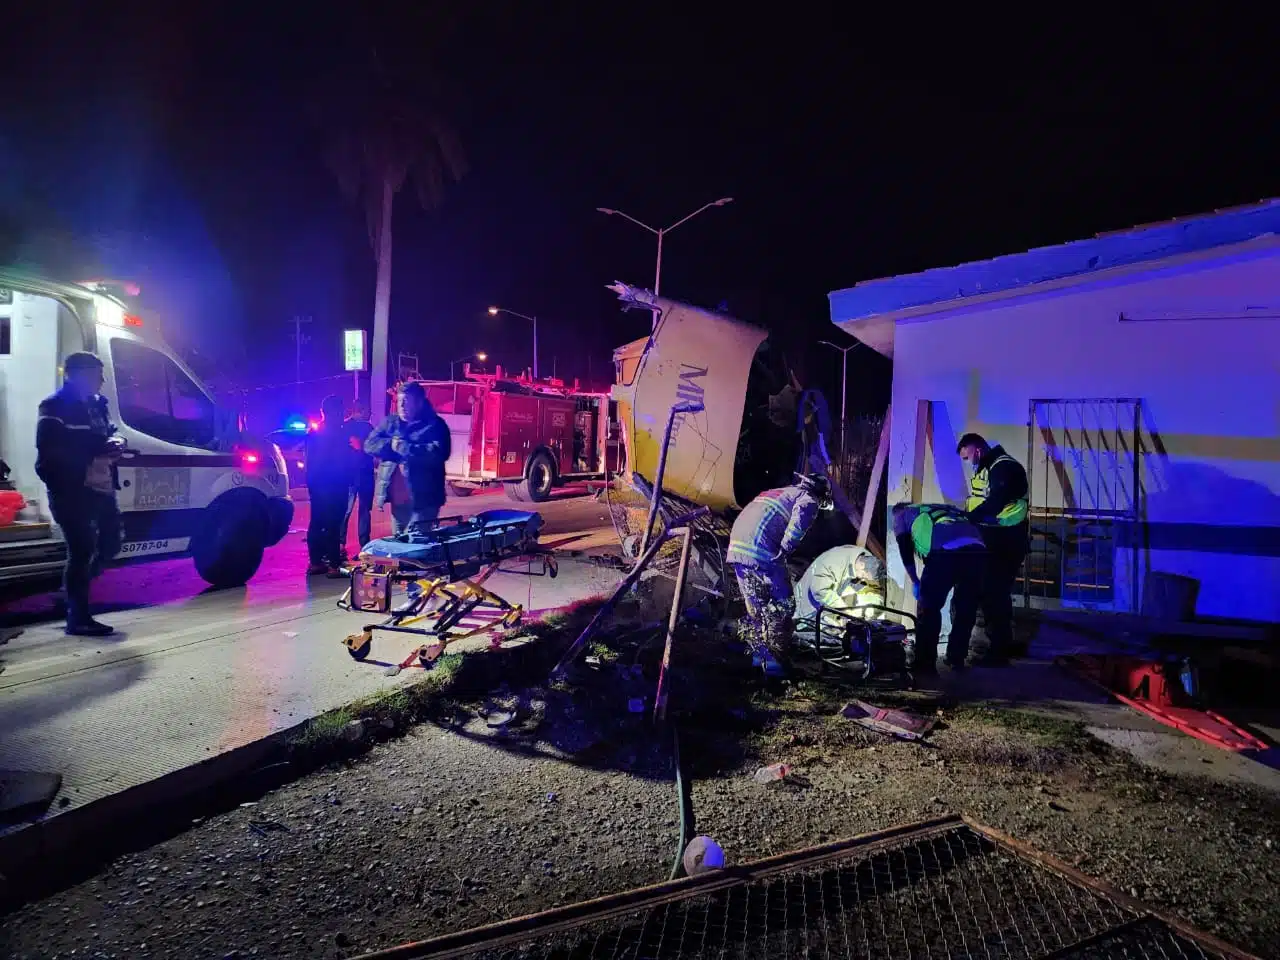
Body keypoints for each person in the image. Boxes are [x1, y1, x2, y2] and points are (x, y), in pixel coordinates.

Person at [35, 352, 126, 636]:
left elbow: (109, 432)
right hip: (71, 490)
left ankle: (74, 591)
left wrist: (117, 441)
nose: (101, 379)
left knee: (111, 543)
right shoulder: (54, 406)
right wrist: (96, 447)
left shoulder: (99, 404)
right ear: (74, 375)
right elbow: (50, 450)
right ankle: (78, 616)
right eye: (95, 373)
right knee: (82, 550)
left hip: (100, 485)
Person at [725, 473, 829, 673]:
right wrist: (784, 550)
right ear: (820, 494)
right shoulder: (808, 499)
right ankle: (777, 662)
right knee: (784, 605)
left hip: (737, 548)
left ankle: (757, 660)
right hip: (762, 551)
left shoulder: (779, 492)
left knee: (756, 608)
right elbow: (797, 527)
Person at [957, 432, 1030, 665]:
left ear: (977, 449)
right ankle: (998, 646)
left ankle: (999, 652)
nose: (969, 463)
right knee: (991, 593)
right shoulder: (990, 469)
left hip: (1006, 540)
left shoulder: (1004, 468)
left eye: (968, 457)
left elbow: (995, 503)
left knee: (994, 594)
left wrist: (969, 518)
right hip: (996, 539)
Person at [891, 502, 986, 676]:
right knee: (966, 607)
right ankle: (956, 658)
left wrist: (915, 581)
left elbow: (905, 550)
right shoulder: (939, 508)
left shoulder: (901, 515)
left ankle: (925, 666)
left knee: (929, 609)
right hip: (978, 550)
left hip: (946, 550)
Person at [365, 381, 451, 537]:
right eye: (399, 401)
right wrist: (390, 444)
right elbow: (369, 445)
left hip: (424, 500)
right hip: (399, 500)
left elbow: (440, 453)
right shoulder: (391, 423)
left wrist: (405, 448)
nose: (402, 405)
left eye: (406, 401)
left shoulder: (435, 425)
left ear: (419, 403)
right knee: (399, 545)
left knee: (415, 545)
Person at [792, 544, 886, 647]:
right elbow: (820, 591)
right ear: (862, 566)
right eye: (863, 576)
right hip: (805, 603)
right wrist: (845, 611)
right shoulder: (833, 562)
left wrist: (869, 611)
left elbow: (874, 590)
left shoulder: (870, 565)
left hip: (827, 608)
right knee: (797, 632)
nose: (863, 580)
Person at [305, 395, 355, 576]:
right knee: (333, 523)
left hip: (319, 485)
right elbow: (340, 460)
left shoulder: (315, 432)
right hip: (333, 485)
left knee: (318, 522)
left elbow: (310, 461)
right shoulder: (336, 433)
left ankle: (316, 562)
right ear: (328, 412)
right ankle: (334, 564)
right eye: (340, 411)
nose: (342, 415)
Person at [342, 401, 375, 556]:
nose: (369, 414)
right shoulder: (366, 428)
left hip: (353, 474)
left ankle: (341, 544)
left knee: (348, 510)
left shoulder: (345, 427)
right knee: (357, 510)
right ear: (359, 410)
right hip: (359, 474)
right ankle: (363, 545)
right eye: (367, 410)